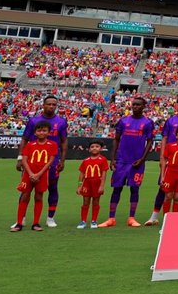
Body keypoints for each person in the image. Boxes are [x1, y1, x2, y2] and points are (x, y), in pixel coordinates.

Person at [98, 97, 155, 228]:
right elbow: (116, 140)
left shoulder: (147, 123)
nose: (135, 107)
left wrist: (142, 159)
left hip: (136, 162)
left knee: (135, 189)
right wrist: (113, 158)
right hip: (122, 161)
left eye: (138, 105)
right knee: (116, 188)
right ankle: (111, 218)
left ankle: (131, 218)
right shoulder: (123, 121)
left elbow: (150, 141)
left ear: (143, 106)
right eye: (133, 104)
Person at [145, 94, 178, 226]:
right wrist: (161, 156)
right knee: (163, 188)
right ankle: (154, 216)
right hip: (170, 160)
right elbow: (164, 138)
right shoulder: (171, 121)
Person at [17, 95, 69, 228]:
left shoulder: (61, 122)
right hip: (32, 162)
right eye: (49, 104)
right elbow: (24, 139)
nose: (51, 106)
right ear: (43, 105)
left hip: (52, 162)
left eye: (54, 104)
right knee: (26, 190)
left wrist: (62, 160)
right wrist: (19, 158)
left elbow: (64, 142)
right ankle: (21, 218)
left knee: (52, 188)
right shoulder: (34, 121)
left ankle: (50, 217)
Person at [12, 120, 57, 232]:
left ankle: (36, 223)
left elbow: (50, 161)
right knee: (25, 196)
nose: (41, 132)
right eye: (39, 130)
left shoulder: (52, 145)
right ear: (35, 133)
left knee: (39, 196)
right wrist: (31, 173)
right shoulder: (30, 145)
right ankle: (19, 223)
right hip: (28, 174)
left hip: (42, 174)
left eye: (44, 130)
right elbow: (24, 160)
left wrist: (38, 174)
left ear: (48, 132)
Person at [76, 140, 109, 229]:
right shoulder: (85, 161)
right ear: (89, 149)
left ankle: (94, 220)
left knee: (96, 201)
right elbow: (82, 173)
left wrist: (102, 185)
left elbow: (104, 173)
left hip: (97, 182)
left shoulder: (103, 160)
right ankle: (83, 221)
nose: (94, 148)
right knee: (85, 201)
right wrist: (80, 185)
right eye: (92, 147)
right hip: (87, 183)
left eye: (97, 146)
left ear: (101, 148)